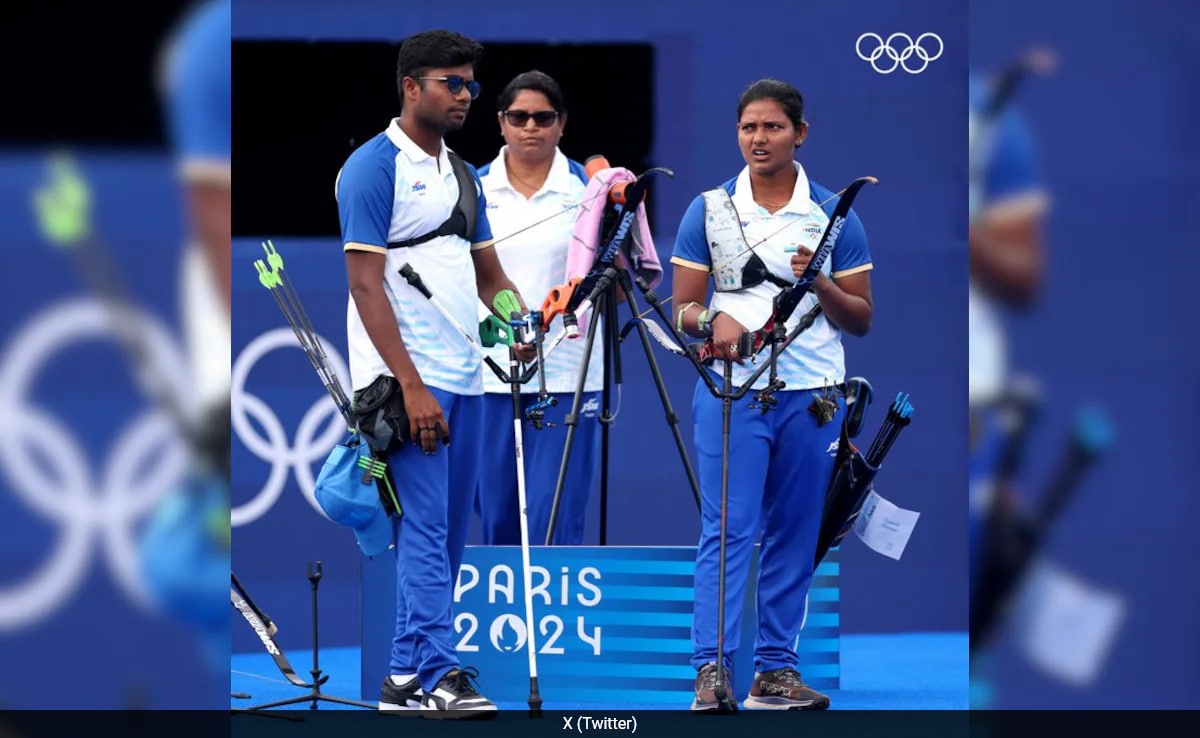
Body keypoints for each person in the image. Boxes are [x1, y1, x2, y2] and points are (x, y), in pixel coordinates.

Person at [334, 29, 536, 718]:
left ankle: (402, 677)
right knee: (422, 527)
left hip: (467, 376)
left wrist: (518, 318)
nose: (467, 96)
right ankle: (442, 673)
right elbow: (365, 287)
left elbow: (489, 275)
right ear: (411, 85)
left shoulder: (466, 174)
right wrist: (412, 385)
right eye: (454, 83)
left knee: (449, 533)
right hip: (403, 384)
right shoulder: (371, 168)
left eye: (472, 86)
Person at [670, 78, 873, 712]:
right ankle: (712, 672)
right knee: (727, 528)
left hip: (812, 394)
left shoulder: (835, 213)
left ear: (800, 133)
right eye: (748, 128)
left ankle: (775, 672)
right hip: (732, 394)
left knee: (794, 530)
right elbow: (681, 309)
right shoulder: (708, 209)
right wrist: (711, 322)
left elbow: (861, 317)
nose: (759, 138)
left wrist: (819, 280)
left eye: (773, 127)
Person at [473, 70, 601, 546]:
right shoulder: (471, 188)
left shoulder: (589, 193)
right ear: (501, 122)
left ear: (561, 124)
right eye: (519, 116)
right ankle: (502, 621)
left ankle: (558, 623)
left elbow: (622, 280)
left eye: (543, 117)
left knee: (557, 517)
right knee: (498, 516)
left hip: (568, 373)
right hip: (488, 375)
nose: (531, 126)